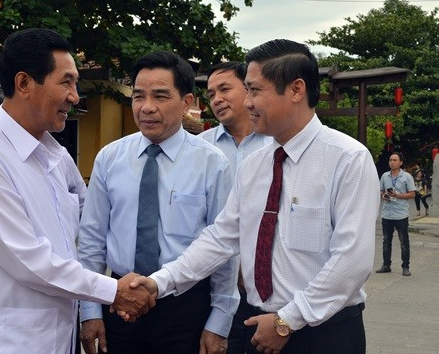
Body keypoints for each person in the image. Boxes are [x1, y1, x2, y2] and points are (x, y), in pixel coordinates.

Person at [130, 39, 380, 354]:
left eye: (255, 90)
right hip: (258, 325)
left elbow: (351, 261)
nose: (247, 102)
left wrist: (287, 319)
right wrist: (159, 282)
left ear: (295, 90)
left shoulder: (347, 159)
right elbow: (220, 238)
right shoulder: (255, 165)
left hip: (323, 332)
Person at [0, 28, 154, 354]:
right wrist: (114, 290)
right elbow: (29, 261)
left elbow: (87, 226)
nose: (74, 95)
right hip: (0, 342)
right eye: (66, 82)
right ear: (24, 83)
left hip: (55, 335)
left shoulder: (54, 155)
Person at [78, 51, 238, 354]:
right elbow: (91, 239)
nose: (147, 107)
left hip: (186, 307)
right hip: (119, 303)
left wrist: (219, 320)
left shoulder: (212, 163)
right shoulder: (110, 158)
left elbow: (224, 248)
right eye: (139, 96)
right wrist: (90, 311)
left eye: (161, 96)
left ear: (187, 102)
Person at [199, 61, 272, 354]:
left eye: (225, 89)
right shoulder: (200, 148)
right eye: (211, 93)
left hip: (263, 289)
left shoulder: (275, 145)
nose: (216, 99)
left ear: (249, 89)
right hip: (211, 287)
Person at [376, 152, 416, 276]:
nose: (392, 162)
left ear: (401, 162)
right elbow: (380, 190)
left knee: (404, 241)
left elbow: (412, 194)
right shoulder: (384, 176)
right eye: (390, 160)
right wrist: (384, 195)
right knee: (386, 240)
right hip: (387, 213)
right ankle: (386, 265)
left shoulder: (407, 177)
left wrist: (397, 195)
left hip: (401, 214)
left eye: (394, 160)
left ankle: (405, 266)